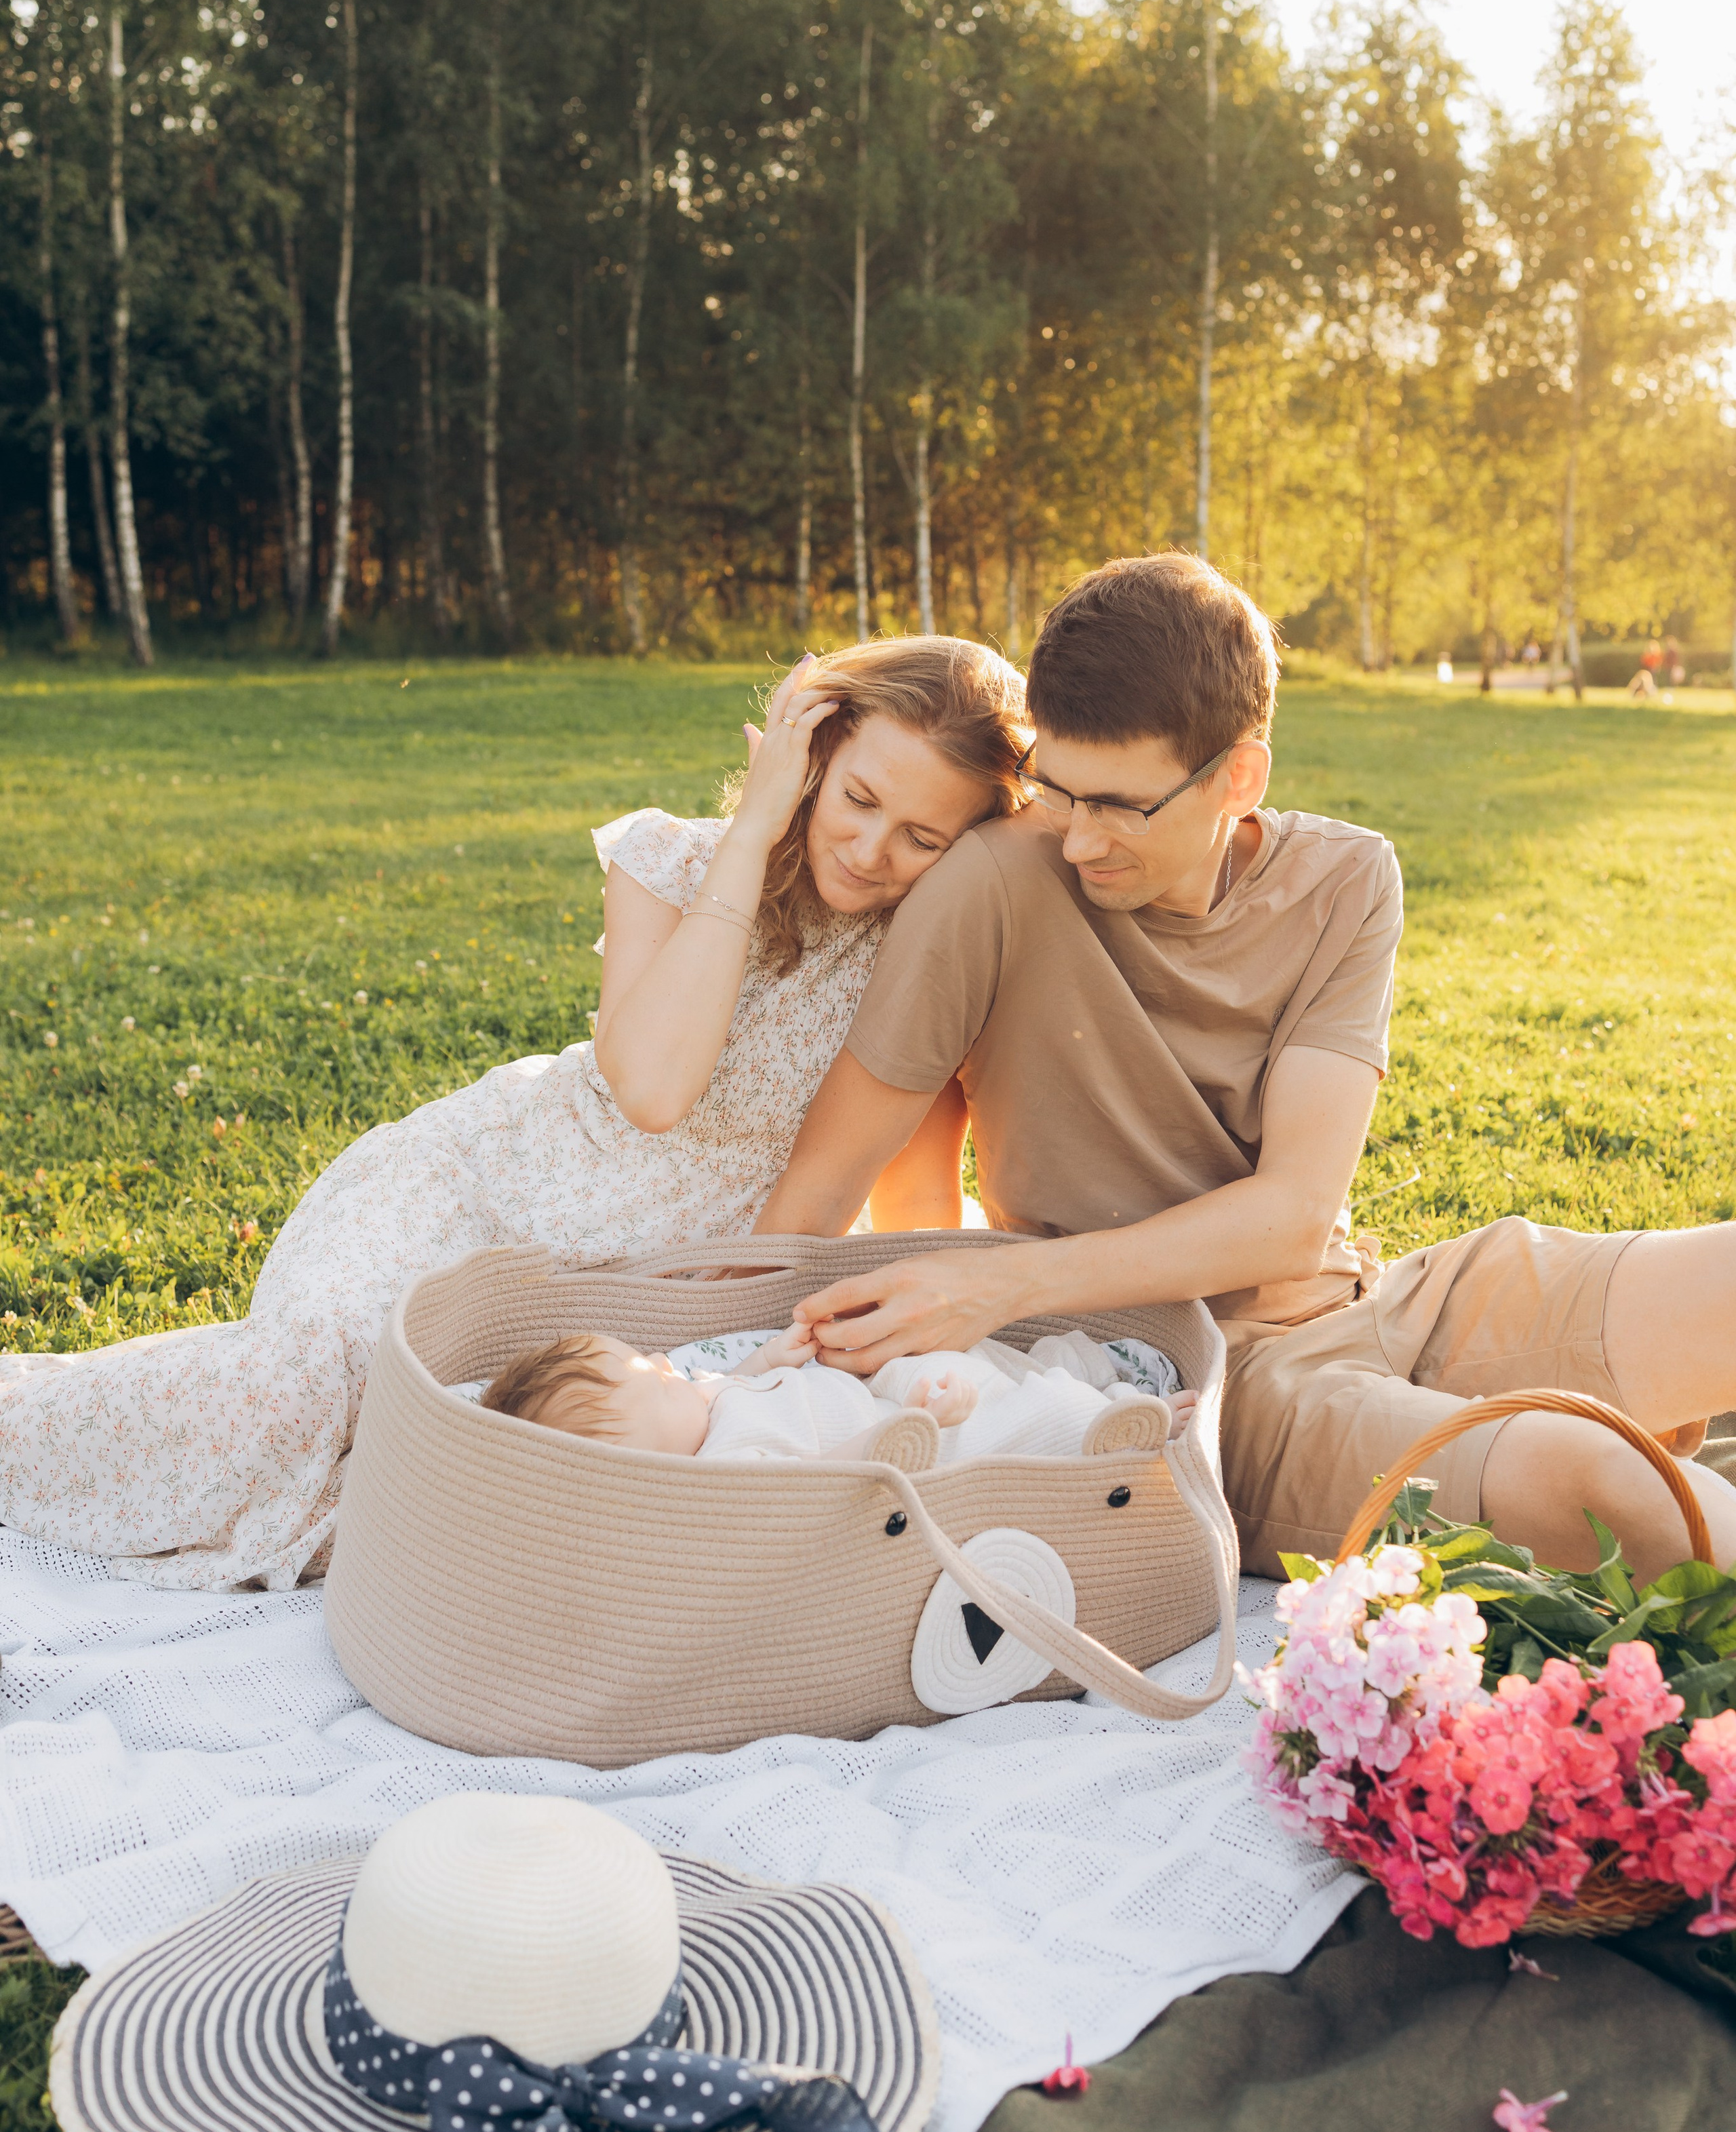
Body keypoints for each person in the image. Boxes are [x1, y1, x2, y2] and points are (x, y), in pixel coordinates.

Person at [755, 555, 1736, 1587]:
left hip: (1392, 1297)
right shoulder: (990, 885)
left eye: (1122, 805)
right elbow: (815, 1197)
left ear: (1239, 777)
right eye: (1060, 789)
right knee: (1615, 1487)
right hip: (1205, 1376)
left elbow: (1291, 1218)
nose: (1079, 839)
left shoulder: (1348, 877)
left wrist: (998, 1281)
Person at [0, 635, 1028, 1588]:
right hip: (478, 1194)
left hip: (626, 1318)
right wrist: (755, 833)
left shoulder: (913, 961)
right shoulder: (672, 862)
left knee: (440, 1491)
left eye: (922, 837)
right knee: (299, 1394)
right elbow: (655, 1090)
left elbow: (903, 1196)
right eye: (855, 797)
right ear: (811, 755)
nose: (870, 848)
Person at [478, 1321, 1181, 1465]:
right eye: (651, 1379)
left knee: (955, 1353)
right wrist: (908, 1426)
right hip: (924, 1447)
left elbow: (737, 1385)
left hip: (884, 1391)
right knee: (1036, 1419)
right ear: (645, 1460)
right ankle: (1124, 1420)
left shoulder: (704, 1403)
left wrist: (767, 1359)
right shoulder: (724, 1473)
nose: (666, 1361)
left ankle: (1077, 1360)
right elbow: (820, 1486)